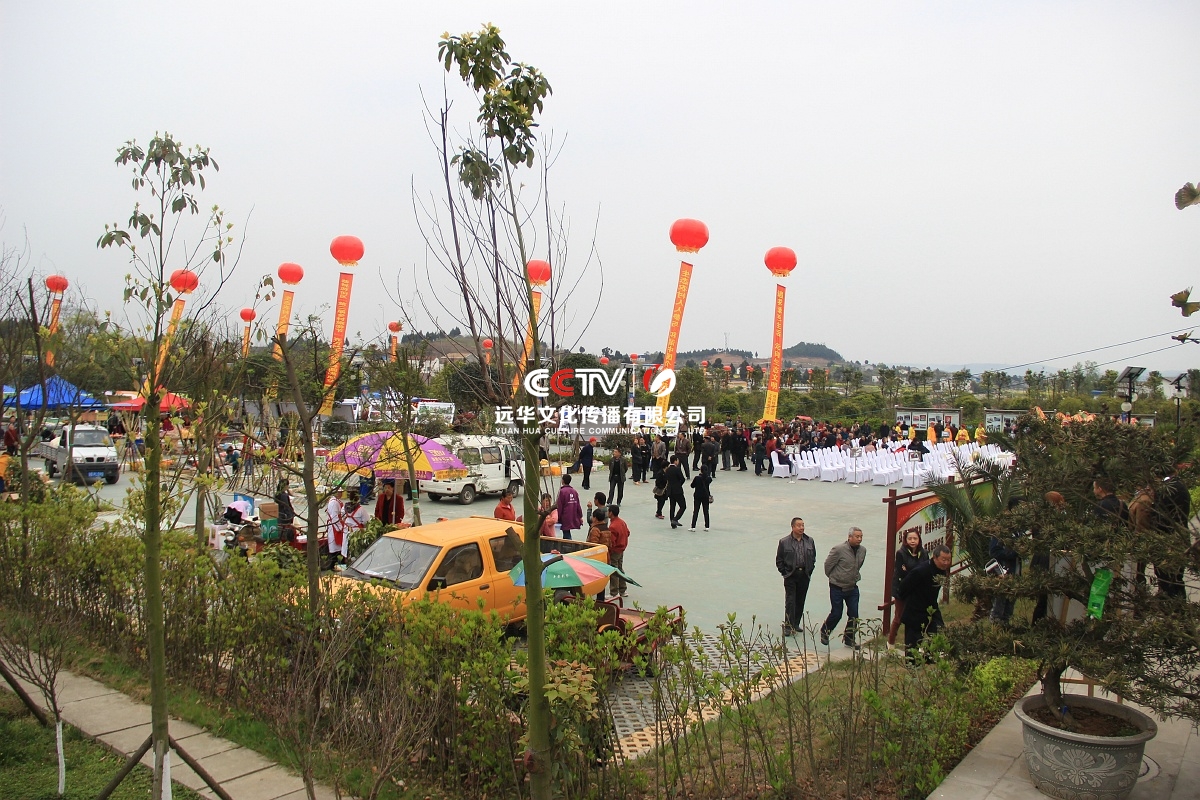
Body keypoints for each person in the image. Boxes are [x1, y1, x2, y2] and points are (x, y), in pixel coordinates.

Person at [898, 544, 953, 661]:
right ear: (935, 557)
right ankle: (913, 666)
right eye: (943, 560)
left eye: (948, 560)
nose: (946, 563)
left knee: (939, 633)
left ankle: (929, 657)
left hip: (931, 607)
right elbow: (903, 588)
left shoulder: (942, 571)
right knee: (912, 647)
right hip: (914, 610)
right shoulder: (921, 570)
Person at [820, 527, 867, 649]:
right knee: (837, 613)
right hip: (837, 587)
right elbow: (828, 565)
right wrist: (835, 578)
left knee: (854, 615)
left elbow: (858, 565)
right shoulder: (839, 549)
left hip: (852, 587)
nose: (859, 539)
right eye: (857, 536)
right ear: (849, 537)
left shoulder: (862, 550)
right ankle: (825, 631)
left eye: (861, 536)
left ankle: (849, 638)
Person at [776, 517, 817, 636]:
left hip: (804, 575)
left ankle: (796, 624)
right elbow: (779, 560)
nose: (802, 528)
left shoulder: (809, 541)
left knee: (800, 600)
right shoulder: (784, 542)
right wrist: (785, 573)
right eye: (799, 525)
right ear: (793, 527)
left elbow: (813, 557)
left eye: (803, 525)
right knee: (790, 601)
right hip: (791, 575)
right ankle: (788, 626)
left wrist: (809, 570)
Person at [887, 530, 927, 647]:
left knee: (919, 617)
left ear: (919, 539)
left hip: (917, 590)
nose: (912, 541)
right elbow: (901, 573)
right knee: (899, 617)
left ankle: (919, 644)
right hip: (902, 590)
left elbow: (925, 570)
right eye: (910, 539)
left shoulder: (924, 553)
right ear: (905, 540)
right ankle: (890, 643)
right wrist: (914, 573)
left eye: (915, 538)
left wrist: (909, 571)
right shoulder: (900, 553)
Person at [586, 507, 611, 599]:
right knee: (601, 579)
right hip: (605, 556)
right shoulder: (607, 528)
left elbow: (593, 545)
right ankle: (601, 600)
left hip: (596, 559)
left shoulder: (595, 530)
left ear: (595, 518)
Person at [607, 504, 630, 597]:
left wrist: (609, 551)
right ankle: (622, 590)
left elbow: (611, 542)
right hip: (622, 549)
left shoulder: (613, 526)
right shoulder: (622, 522)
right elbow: (628, 532)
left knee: (614, 570)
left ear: (611, 513)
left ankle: (614, 592)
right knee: (620, 569)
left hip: (615, 550)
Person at [556, 474, 583, 539]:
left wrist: (557, 516)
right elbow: (578, 504)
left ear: (562, 481)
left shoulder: (562, 491)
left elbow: (560, 505)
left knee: (565, 532)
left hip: (565, 515)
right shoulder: (574, 491)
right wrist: (580, 516)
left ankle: (568, 544)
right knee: (566, 531)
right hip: (573, 514)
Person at [664, 455, 687, 529]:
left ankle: (672, 523)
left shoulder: (667, 469)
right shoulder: (677, 469)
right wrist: (679, 485)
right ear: (675, 461)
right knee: (683, 506)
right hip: (677, 490)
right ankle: (675, 519)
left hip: (670, 490)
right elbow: (682, 479)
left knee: (672, 506)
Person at [688, 465, 712, 532]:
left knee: (696, 511)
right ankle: (707, 526)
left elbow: (692, 486)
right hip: (705, 496)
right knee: (706, 511)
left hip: (697, 496)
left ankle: (693, 526)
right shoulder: (709, 478)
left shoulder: (697, 478)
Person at [325, 490, 346, 564]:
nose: (340, 494)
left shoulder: (336, 501)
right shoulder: (334, 503)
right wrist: (340, 528)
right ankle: (334, 563)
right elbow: (334, 517)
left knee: (337, 547)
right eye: (339, 492)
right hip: (334, 526)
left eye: (341, 492)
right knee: (335, 547)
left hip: (336, 525)